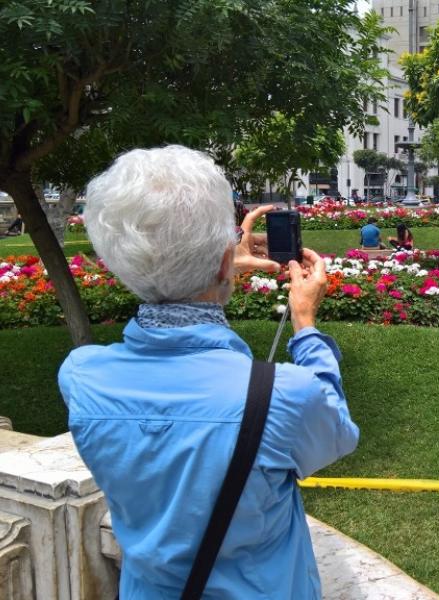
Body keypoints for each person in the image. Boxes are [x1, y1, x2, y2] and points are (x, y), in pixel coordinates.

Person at [58, 146, 358, 599]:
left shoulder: (82, 377)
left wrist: (209, 266)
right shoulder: (282, 395)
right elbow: (338, 431)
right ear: (224, 258)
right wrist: (306, 325)